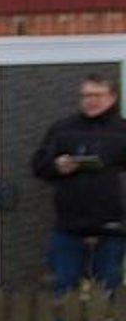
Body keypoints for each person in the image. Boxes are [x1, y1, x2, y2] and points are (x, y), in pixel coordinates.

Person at [30, 71, 126, 292]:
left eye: (97, 95)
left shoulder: (122, 131)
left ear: (112, 97)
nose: (90, 101)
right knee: (63, 288)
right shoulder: (63, 129)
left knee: (109, 290)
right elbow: (38, 165)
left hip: (112, 226)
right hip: (69, 225)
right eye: (85, 95)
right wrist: (57, 166)